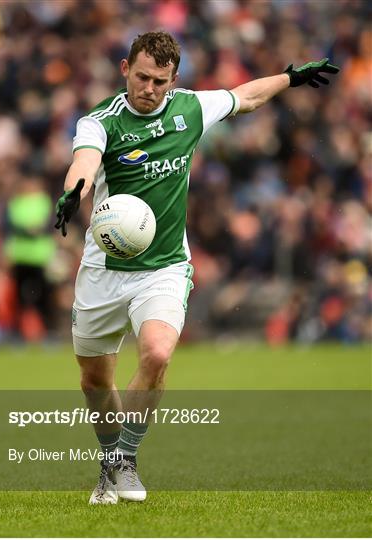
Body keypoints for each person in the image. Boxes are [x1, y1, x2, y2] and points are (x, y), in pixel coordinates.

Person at [55, 31, 339, 504]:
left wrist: (289, 78)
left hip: (163, 267)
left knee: (158, 354)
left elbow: (245, 97)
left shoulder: (188, 108)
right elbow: (84, 162)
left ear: (173, 80)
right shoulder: (100, 121)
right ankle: (108, 464)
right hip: (104, 270)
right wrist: (74, 192)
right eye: (142, 77)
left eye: (160, 81)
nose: (149, 88)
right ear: (125, 69)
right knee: (94, 380)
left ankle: (125, 460)